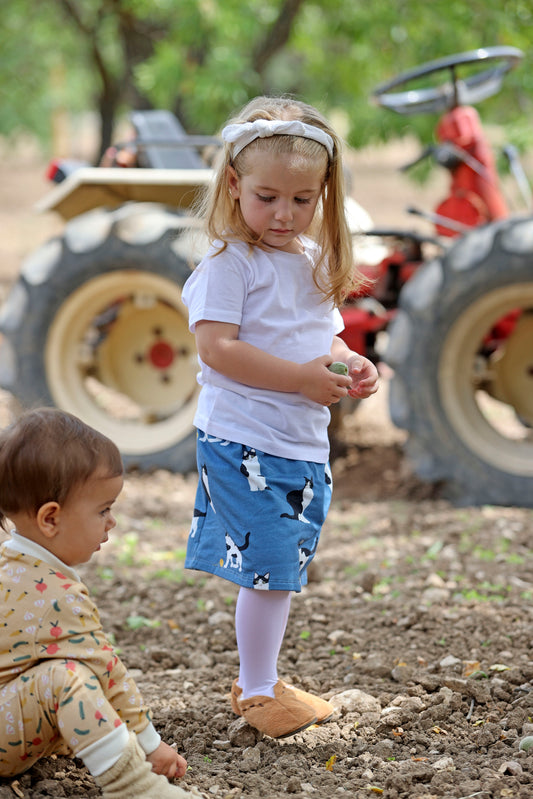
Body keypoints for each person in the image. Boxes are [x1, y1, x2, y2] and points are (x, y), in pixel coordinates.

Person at [182, 96, 380, 739]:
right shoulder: (227, 265)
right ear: (234, 185)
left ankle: (262, 679)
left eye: (302, 199)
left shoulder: (310, 260)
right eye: (267, 197)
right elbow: (217, 349)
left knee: (284, 564)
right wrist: (299, 379)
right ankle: (259, 689)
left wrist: (348, 362)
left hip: (297, 440)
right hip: (244, 437)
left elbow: (318, 339)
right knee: (270, 564)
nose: (284, 214)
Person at [0, 408, 194, 799]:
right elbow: (108, 672)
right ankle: (135, 788)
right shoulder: (54, 594)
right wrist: (150, 744)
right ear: (50, 519)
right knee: (69, 677)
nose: (112, 522)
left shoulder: (13, 565)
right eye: (103, 509)